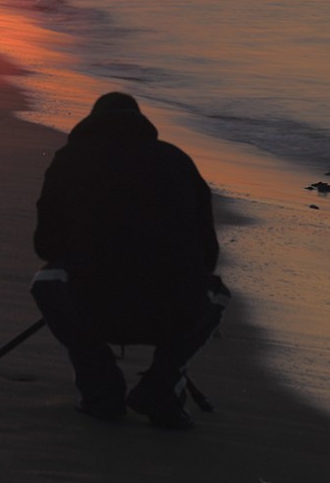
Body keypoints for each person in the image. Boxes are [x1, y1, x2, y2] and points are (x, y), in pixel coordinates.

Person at [30, 92, 230, 429]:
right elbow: (208, 256)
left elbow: (46, 246)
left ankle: (101, 390)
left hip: (96, 308)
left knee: (46, 282)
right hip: (172, 313)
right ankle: (162, 383)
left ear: (90, 123)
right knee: (217, 293)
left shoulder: (70, 159)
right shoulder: (178, 160)